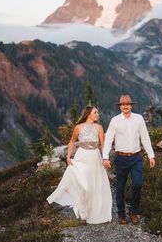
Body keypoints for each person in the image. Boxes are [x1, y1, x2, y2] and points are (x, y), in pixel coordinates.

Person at [47, 106, 112, 225]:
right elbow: (72, 142)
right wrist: (68, 157)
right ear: (88, 114)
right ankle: (83, 211)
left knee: (94, 185)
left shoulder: (99, 128)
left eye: (97, 112)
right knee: (84, 186)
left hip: (95, 158)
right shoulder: (78, 127)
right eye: (95, 112)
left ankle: (92, 211)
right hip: (81, 157)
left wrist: (105, 158)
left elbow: (103, 145)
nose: (98, 114)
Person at [102, 95, 155, 225]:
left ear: (131, 106)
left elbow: (145, 138)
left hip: (136, 157)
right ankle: (121, 213)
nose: (125, 107)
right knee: (120, 187)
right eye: (123, 105)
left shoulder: (139, 119)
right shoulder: (115, 120)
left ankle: (133, 211)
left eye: (128, 104)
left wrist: (151, 155)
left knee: (138, 184)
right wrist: (105, 157)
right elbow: (108, 139)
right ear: (120, 106)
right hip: (121, 158)